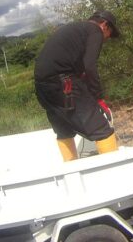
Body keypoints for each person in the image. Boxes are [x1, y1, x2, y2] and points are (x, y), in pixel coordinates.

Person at [34, 10, 120, 161]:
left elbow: (78, 69)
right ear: (105, 25)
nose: (107, 39)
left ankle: (72, 172)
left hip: (42, 88)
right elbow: (90, 67)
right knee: (103, 130)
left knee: (64, 130)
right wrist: (98, 98)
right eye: (110, 34)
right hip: (63, 84)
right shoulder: (95, 31)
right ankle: (115, 172)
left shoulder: (74, 30)